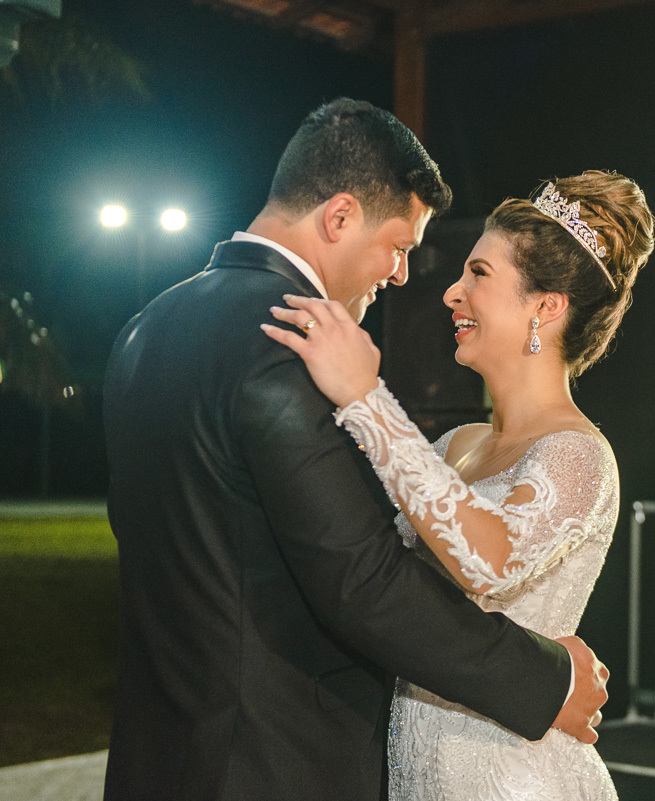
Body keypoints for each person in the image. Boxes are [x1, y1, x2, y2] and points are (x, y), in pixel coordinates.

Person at [102, 99, 608, 801]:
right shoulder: (285, 346)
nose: (405, 276)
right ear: (339, 217)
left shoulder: (146, 328)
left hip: (159, 753)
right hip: (270, 763)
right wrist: (546, 679)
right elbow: (363, 580)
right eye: (400, 246)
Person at [261, 170, 655, 800]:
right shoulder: (456, 446)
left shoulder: (579, 456)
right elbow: (372, 579)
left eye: (478, 274)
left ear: (545, 307)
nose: (451, 292)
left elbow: (488, 562)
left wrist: (366, 397)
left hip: (512, 780)